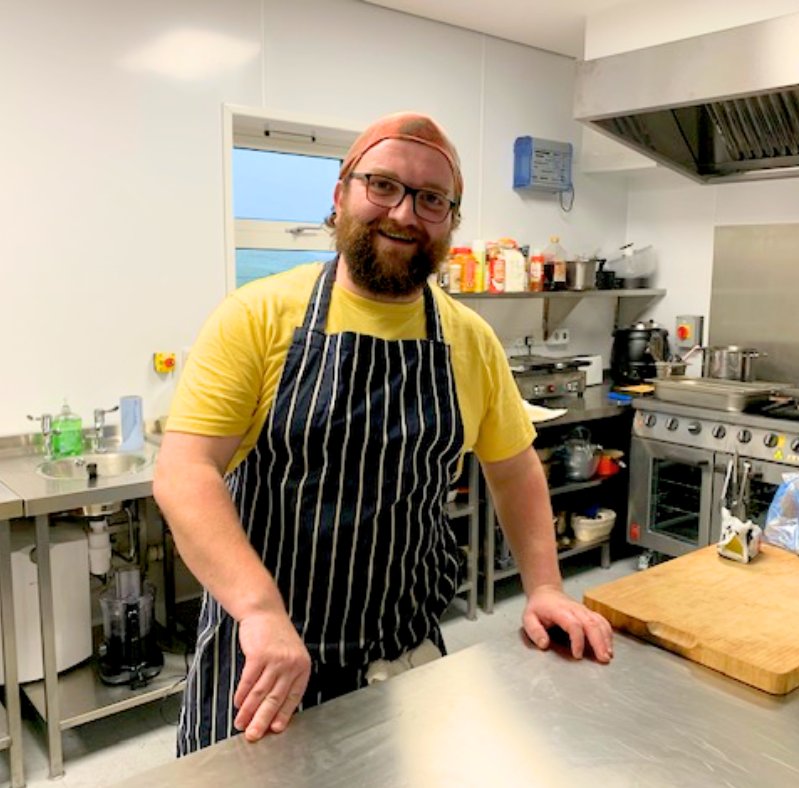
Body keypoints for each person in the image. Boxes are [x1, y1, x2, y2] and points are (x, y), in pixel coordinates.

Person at [153, 111, 614, 756]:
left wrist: (543, 587)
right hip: (263, 663)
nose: (404, 213)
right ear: (341, 194)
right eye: (383, 185)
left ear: (450, 222)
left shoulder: (469, 340)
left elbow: (514, 470)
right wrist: (258, 611)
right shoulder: (257, 316)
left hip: (406, 660)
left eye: (431, 199)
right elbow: (185, 472)